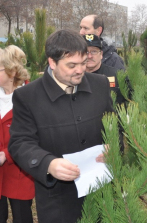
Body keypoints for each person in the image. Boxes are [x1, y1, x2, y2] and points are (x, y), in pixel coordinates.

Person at [8, 29, 114, 223]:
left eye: (83, 63)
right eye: (71, 65)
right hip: (58, 200)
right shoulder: (28, 96)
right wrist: (48, 163)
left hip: (101, 193)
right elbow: (20, 143)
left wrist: (114, 146)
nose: (80, 70)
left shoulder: (100, 84)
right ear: (52, 62)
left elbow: (114, 125)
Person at [0, 45, 34, 223]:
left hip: (20, 172)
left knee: (22, 217)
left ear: (12, 72)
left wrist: (6, 154)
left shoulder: (30, 98)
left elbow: (33, 137)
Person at [83, 34, 127, 107]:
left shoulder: (116, 75)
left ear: (101, 54)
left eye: (94, 51)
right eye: (86, 52)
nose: (89, 56)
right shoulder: (76, 76)